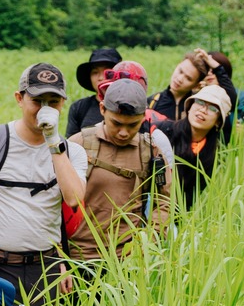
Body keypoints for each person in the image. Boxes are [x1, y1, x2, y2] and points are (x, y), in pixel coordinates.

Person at [0, 62, 89, 300]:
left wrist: (53, 142)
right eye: (37, 101)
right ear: (19, 98)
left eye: (53, 102)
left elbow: (74, 199)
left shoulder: (72, 152)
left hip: (45, 268)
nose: (45, 109)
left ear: (62, 104)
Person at [65, 77, 173, 279]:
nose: (124, 133)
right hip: (77, 258)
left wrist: (148, 242)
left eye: (133, 125)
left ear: (143, 117)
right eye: (116, 123)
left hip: (126, 262)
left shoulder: (150, 152)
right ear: (102, 109)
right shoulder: (79, 144)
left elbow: (164, 202)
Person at [171, 83, 229, 208]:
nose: (203, 110)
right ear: (190, 106)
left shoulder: (212, 158)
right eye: (200, 102)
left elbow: (190, 199)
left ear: (218, 121)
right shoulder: (165, 132)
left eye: (213, 108)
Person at [67, 46, 123, 134]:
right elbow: (71, 141)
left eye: (107, 72)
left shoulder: (133, 105)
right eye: (95, 72)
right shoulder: (79, 108)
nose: (101, 78)